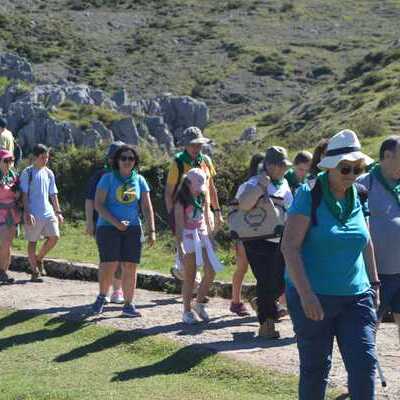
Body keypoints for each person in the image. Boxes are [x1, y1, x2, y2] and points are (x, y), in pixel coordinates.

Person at [281, 129, 379, 400]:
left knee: (364, 363)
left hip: (356, 296)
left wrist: (374, 283)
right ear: (329, 166)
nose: (351, 174)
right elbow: (289, 247)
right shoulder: (308, 194)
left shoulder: (359, 194)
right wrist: (306, 294)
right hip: (315, 298)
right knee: (316, 368)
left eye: (357, 168)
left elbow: (365, 241)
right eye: (345, 168)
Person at [92, 144, 156, 317]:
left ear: (135, 162)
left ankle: (128, 304)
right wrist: (116, 222)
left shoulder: (140, 180)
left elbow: (146, 206)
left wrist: (152, 230)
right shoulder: (107, 179)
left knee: (130, 266)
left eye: (131, 158)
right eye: (124, 158)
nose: (127, 161)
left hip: (133, 228)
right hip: (108, 227)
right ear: (117, 161)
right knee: (109, 264)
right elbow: (98, 204)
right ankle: (101, 297)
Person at [237, 146, 293, 338]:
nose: (284, 169)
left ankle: (260, 303)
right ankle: (267, 325)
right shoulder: (252, 183)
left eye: (285, 166)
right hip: (257, 240)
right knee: (265, 279)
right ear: (269, 165)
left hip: (280, 239)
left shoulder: (284, 184)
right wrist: (260, 186)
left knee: (279, 282)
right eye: (281, 166)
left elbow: (290, 209)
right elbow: (242, 205)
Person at [165, 126, 222, 285]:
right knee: (190, 247)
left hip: (204, 211)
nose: (197, 148)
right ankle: (191, 280)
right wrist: (172, 217)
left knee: (206, 245)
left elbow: (211, 187)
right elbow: (169, 192)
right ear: (186, 145)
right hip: (184, 212)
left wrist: (217, 211)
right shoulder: (178, 162)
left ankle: (185, 274)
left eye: (199, 144)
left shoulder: (206, 161)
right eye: (193, 144)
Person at [358, 135, 400, 343]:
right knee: (370, 325)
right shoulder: (363, 184)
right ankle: (366, 371)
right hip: (377, 274)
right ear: (387, 156)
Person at [175, 168, 223, 324]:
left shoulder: (201, 197)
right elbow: (179, 227)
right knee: (190, 276)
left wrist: (210, 237)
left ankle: (199, 303)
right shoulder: (180, 201)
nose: (198, 191)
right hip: (188, 239)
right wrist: (180, 247)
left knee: (211, 271)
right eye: (196, 188)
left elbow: (202, 218)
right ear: (187, 184)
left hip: (202, 237)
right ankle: (187, 311)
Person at [85, 141, 125, 304]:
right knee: (108, 259)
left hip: (123, 224)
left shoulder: (128, 176)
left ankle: (117, 290)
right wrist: (89, 222)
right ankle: (105, 291)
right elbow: (89, 200)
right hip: (103, 224)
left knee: (121, 258)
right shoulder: (99, 176)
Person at [21, 144, 64, 282]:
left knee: (54, 237)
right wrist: (28, 213)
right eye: (42, 157)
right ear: (35, 157)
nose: (45, 160)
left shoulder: (49, 173)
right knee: (32, 241)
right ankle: (34, 272)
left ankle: (39, 259)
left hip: (48, 211)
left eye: (47, 157)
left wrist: (58, 211)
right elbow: (24, 194)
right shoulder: (27, 173)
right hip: (33, 213)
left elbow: (53, 194)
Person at [229, 153, 264, 316]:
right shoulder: (246, 186)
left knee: (264, 271)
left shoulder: (270, 185)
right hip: (244, 234)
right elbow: (238, 209)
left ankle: (264, 302)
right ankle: (235, 302)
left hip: (262, 233)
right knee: (242, 267)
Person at [0, 149, 20, 284]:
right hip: (0, 213)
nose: (9, 163)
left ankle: (4, 272)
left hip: (12, 213)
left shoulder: (14, 175)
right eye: (5, 160)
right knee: (4, 243)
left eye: (11, 160)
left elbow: (20, 194)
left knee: (8, 245)